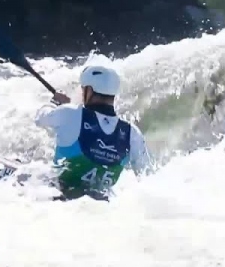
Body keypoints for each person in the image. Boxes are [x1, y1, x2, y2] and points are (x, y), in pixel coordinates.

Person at [34, 65, 151, 201]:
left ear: (89, 91)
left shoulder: (70, 113)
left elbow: (40, 119)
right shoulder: (132, 133)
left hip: (59, 197)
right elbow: (146, 176)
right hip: (99, 205)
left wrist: (54, 103)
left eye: (83, 89)